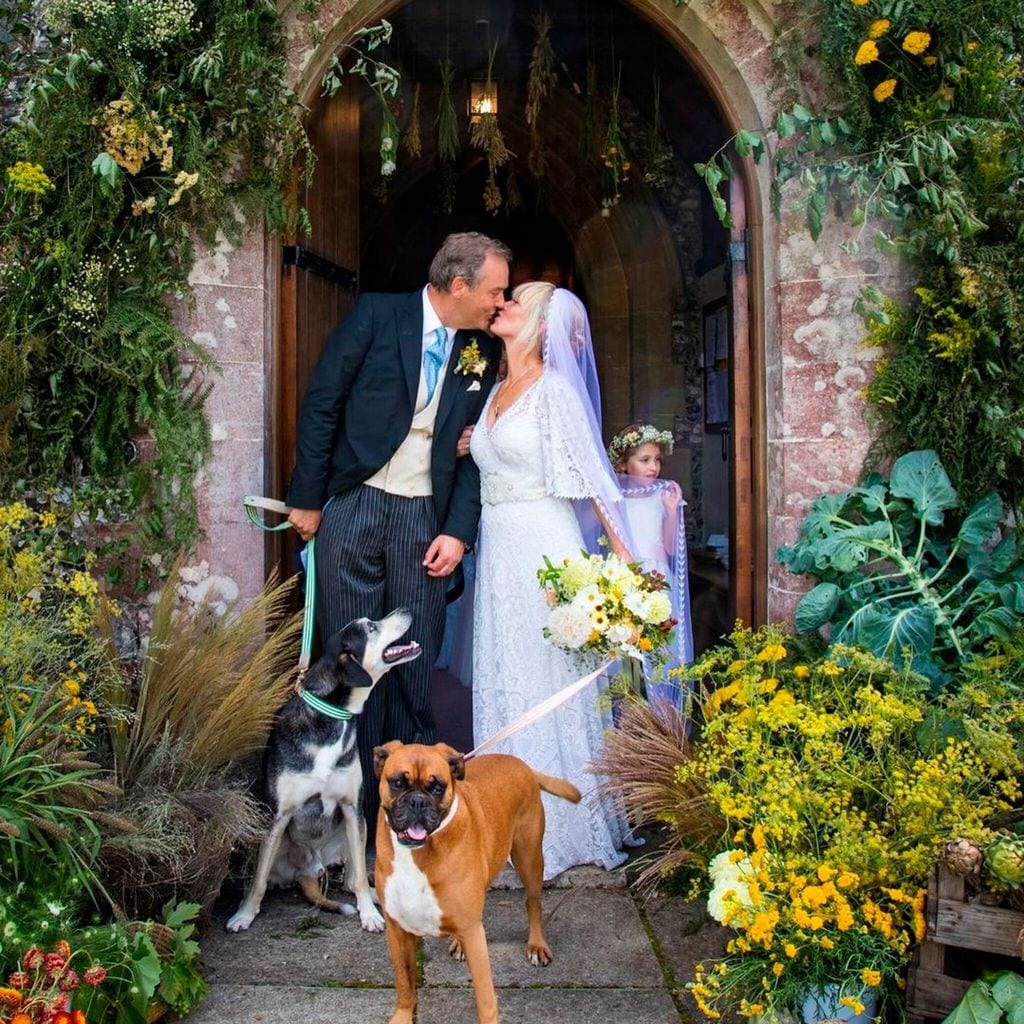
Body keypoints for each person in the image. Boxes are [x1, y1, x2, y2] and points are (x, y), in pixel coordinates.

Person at [285, 231, 509, 827]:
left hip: (424, 517)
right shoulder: (377, 315)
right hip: (353, 502)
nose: (499, 302)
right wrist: (307, 499)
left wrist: (459, 533)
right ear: (458, 285)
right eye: (494, 290)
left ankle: (418, 818)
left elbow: (476, 452)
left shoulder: (482, 352)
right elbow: (322, 403)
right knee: (351, 662)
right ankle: (351, 820)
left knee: (412, 658)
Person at [468, 282, 634, 880]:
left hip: (544, 547)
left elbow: (595, 481)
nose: (503, 305)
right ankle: (499, 817)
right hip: (499, 549)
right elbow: (502, 454)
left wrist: (628, 572)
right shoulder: (496, 388)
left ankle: (557, 831)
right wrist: (473, 443)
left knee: (542, 678)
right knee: (504, 672)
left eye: (515, 302)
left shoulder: (555, 391)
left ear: (539, 325)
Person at [608, 424, 694, 707]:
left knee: (659, 648)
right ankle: (632, 715)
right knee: (627, 648)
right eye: (644, 460)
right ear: (623, 462)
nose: (653, 467)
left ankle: (661, 713)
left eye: (657, 460)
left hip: (658, 577)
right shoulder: (614, 497)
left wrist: (671, 511)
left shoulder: (664, 493)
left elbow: (670, 547)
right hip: (626, 577)